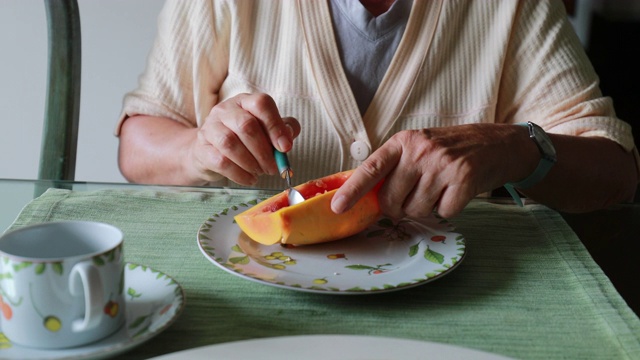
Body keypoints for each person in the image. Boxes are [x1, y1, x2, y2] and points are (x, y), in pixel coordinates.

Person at [117, 0, 639, 220]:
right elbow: (137, 143)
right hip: (255, 292)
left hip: (455, 304)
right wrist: (197, 149)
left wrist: (517, 149)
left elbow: (616, 172)